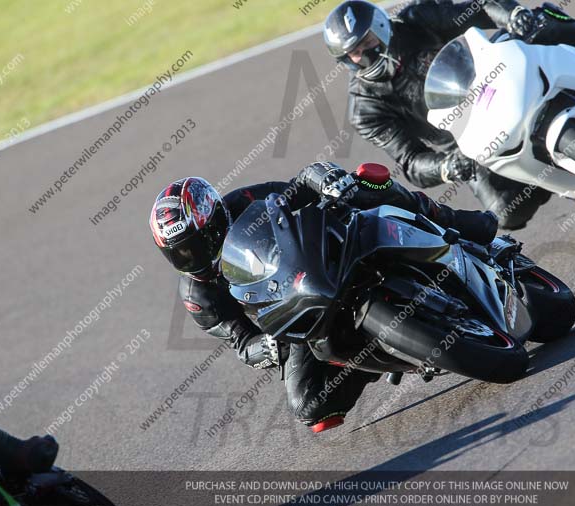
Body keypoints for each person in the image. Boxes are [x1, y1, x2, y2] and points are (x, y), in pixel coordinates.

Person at [149, 162, 498, 432]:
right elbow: (241, 342)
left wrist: (325, 179)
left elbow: (296, 190)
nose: (193, 258)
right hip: (291, 313)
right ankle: (375, 354)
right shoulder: (198, 295)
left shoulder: (245, 201)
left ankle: (453, 222)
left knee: (367, 182)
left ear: (214, 218)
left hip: (322, 255)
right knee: (309, 407)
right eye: (181, 254)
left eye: (198, 244)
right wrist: (265, 348)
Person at [323, 0, 575, 229]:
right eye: (352, 54)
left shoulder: (418, 17)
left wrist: (510, 14)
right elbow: (411, 161)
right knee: (506, 213)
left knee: (544, 20)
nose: (362, 57)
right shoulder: (365, 107)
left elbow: (479, 7)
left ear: (382, 29)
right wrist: (446, 167)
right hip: (470, 139)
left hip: (499, 72)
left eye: (366, 44)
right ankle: (556, 173)